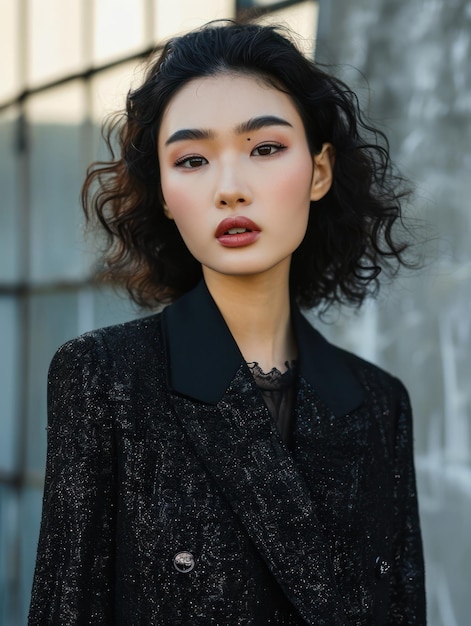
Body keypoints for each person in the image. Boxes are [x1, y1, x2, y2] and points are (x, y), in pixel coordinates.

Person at [28, 20, 426, 625]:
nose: (230, 189)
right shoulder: (103, 379)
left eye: (265, 148)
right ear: (163, 192)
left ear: (319, 172)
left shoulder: (378, 406)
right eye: (191, 159)